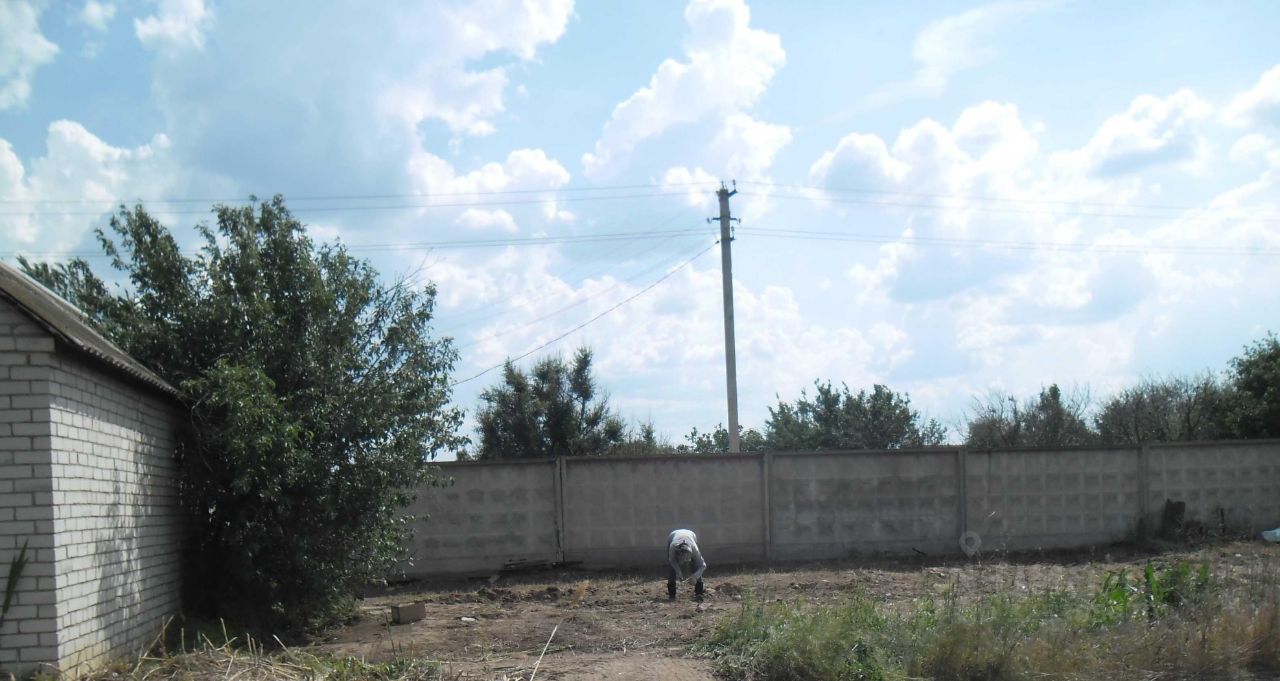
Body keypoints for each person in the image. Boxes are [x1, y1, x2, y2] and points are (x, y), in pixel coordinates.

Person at [666, 528, 706, 600]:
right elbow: (672, 561)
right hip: (673, 535)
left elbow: (703, 565)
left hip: (691, 535)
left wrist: (695, 576)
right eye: (683, 558)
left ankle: (699, 593)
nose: (686, 560)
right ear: (678, 554)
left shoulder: (694, 549)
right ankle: (672, 595)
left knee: (695, 565)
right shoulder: (673, 547)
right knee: (672, 568)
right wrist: (678, 572)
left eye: (687, 558)